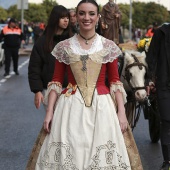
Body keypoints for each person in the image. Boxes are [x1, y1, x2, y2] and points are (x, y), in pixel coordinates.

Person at [26, 0, 142, 169]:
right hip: (70, 106)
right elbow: (56, 81)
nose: (86, 18)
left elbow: (115, 82)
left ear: (98, 17)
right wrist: (49, 112)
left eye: (91, 14)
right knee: (71, 149)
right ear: (76, 17)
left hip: (102, 107)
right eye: (82, 13)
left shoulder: (108, 46)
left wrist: (122, 112)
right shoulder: (64, 46)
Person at [28, 5, 70, 109]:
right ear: (55, 19)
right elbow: (34, 67)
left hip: (70, 90)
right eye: (62, 17)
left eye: (67, 18)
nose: (66, 20)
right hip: (49, 89)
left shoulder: (73, 40)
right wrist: (37, 91)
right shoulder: (42, 42)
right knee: (52, 123)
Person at [146, 23, 170, 170]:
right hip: (164, 84)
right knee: (167, 122)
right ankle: (168, 161)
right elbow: (152, 58)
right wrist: (149, 79)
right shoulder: (162, 32)